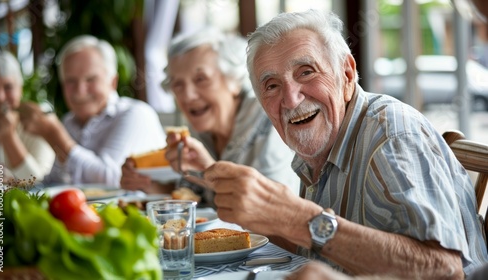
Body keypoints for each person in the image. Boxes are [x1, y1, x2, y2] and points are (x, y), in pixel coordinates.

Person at [200, 9, 487, 279]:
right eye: (272, 85)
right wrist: (264, 215)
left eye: (306, 72)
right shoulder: (317, 144)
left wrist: (298, 218)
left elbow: (445, 270)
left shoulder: (391, 135)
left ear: (347, 75)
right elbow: (326, 251)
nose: (290, 99)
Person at [120, 28, 299, 206]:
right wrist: (149, 185)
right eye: (178, 84)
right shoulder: (201, 129)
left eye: (201, 79)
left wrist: (210, 170)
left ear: (234, 81)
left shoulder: (271, 122)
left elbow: (273, 209)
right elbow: (196, 196)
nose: (187, 96)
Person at [23, 35, 166, 187]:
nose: (80, 91)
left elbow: (112, 180)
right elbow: (56, 182)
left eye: (90, 79)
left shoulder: (136, 114)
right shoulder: (70, 121)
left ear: (113, 82)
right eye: (71, 81)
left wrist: (54, 134)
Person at [0, 51, 55, 182]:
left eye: (8, 87)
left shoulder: (37, 122)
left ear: (20, 90)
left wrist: (8, 137)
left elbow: (35, 181)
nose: (0, 97)